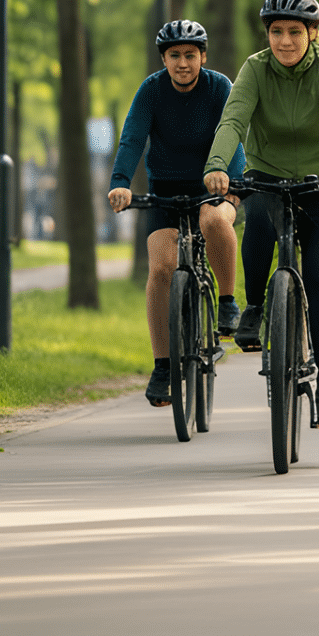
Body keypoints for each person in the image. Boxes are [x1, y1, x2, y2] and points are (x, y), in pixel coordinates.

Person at [203, 0, 319, 430]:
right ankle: (255, 306)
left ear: (313, 34)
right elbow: (233, 119)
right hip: (269, 175)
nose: (286, 41)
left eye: (296, 32)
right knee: (256, 221)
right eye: (277, 32)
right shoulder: (255, 69)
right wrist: (217, 167)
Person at [107, 20, 245, 408]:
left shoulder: (219, 87)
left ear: (203, 56)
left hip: (216, 185)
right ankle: (163, 365)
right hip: (166, 191)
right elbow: (133, 137)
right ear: (164, 59)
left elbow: (232, 134)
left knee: (214, 221)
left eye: (190, 55)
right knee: (162, 268)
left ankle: (228, 301)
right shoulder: (151, 91)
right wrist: (120, 181)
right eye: (174, 56)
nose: (182, 63)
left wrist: (231, 184)